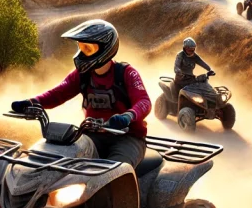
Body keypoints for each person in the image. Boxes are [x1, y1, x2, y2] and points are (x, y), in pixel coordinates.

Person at [11, 20, 151, 168]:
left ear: (106, 48)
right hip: (92, 136)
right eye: (81, 47)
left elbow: (144, 102)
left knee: (114, 171)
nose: (83, 52)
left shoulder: (127, 73)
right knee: (61, 160)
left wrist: (128, 116)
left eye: (88, 48)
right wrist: (32, 102)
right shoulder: (82, 75)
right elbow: (57, 93)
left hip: (128, 138)